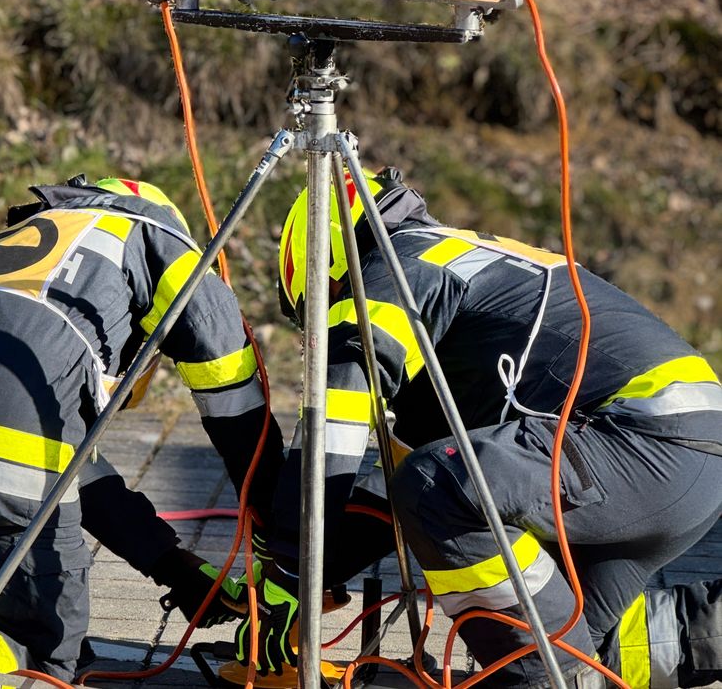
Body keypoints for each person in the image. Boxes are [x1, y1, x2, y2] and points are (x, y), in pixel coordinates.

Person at [236, 167, 722, 688]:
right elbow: (387, 499)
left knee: (439, 487)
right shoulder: (461, 279)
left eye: (323, 311)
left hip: (636, 440)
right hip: (681, 457)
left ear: (330, 261)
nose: (327, 331)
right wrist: (312, 570)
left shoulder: (400, 262)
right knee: (585, 643)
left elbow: (344, 412)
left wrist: (290, 566)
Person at [0, 175, 283, 687]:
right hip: (2, 427)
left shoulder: (41, 236)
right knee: (41, 663)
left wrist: (174, 567)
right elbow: (243, 422)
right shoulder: (165, 243)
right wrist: (285, 541)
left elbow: (73, 471)